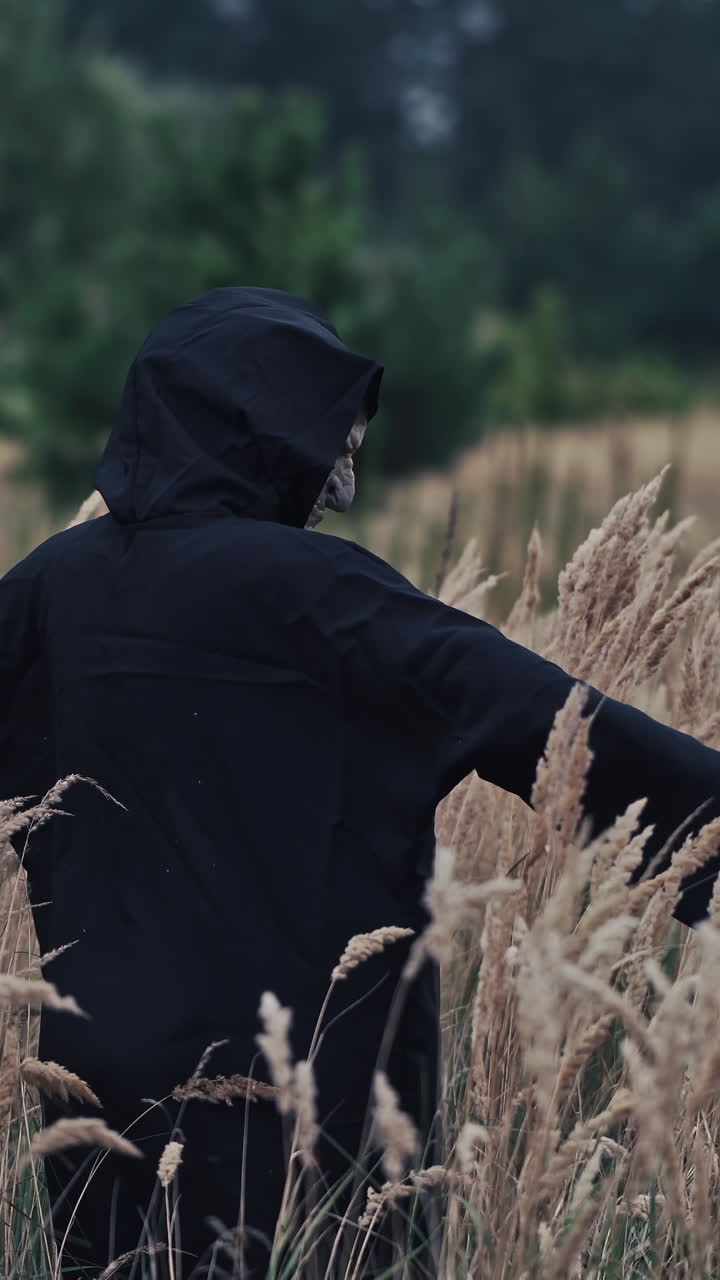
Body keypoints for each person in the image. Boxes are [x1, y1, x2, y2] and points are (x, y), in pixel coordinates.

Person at [1, 286, 719, 1277]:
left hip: (98, 1091)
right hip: (308, 1086)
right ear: (261, 428)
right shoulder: (322, 593)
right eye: (329, 432)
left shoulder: (49, 583)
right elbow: (553, 726)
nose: (344, 465)